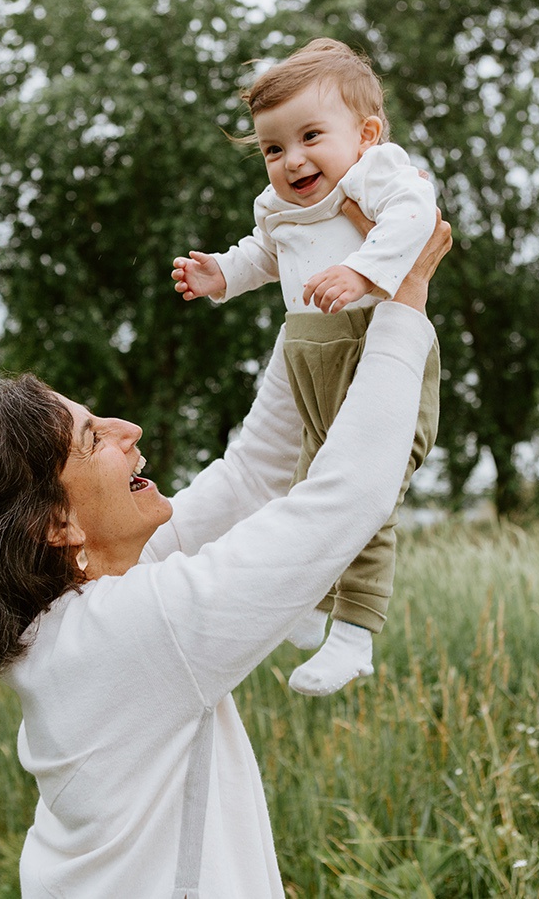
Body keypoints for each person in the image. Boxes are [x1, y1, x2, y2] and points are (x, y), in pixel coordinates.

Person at [0, 208, 451, 898]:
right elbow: (346, 500)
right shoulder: (132, 630)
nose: (128, 428)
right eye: (94, 438)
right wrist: (403, 300)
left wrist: (310, 269)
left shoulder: (75, 617)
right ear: (56, 523)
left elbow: (255, 470)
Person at [171, 38, 440, 695]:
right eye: (272, 148)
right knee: (306, 489)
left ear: (366, 133)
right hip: (309, 355)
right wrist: (222, 275)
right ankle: (312, 603)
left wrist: (361, 270)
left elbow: (418, 218)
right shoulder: (278, 207)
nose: (292, 160)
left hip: (373, 347)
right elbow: (266, 255)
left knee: (363, 494)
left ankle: (355, 632)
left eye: (311, 135)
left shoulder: (375, 174)